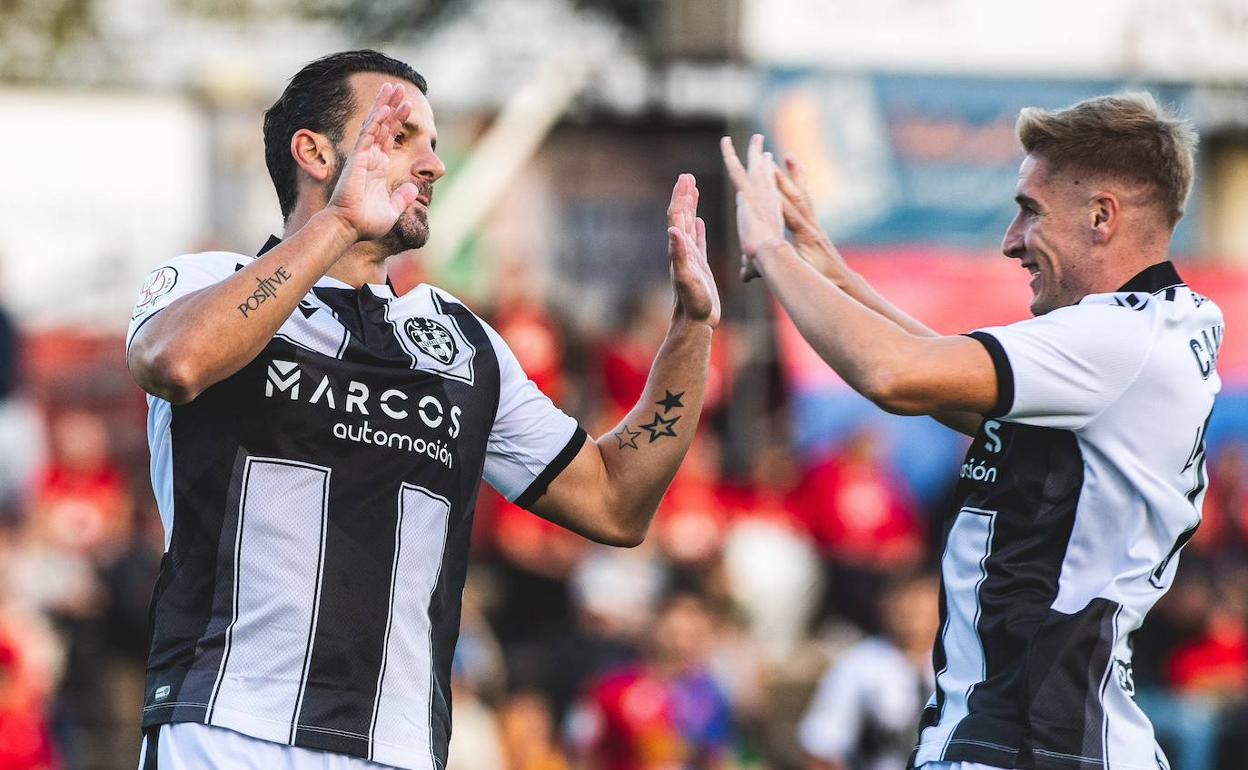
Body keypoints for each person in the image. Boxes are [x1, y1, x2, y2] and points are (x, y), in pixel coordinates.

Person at [125, 49, 720, 770]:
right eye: (401, 137)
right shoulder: (210, 281)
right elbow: (176, 363)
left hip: (399, 749)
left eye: (433, 146)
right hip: (227, 730)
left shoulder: (465, 345)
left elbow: (617, 503)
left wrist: (692, 330)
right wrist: (341, 221)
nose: (432, 166)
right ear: (314, 152)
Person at [723, 92, 1221, 770]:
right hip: (1056, 738)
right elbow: (945, 383)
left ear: (1102, 216)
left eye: (1030, 210)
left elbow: (892, 373)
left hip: (1031, 745)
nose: (1011, 240)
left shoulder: (1117, 339)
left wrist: (769, 252)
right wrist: (829, 270)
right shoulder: (1153, 328)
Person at [798, 573, 940, 770]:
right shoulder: (859, 663)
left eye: (921, 610)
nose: (914, 619)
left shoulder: (962, 664)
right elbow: (822, 746)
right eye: (907, 608)